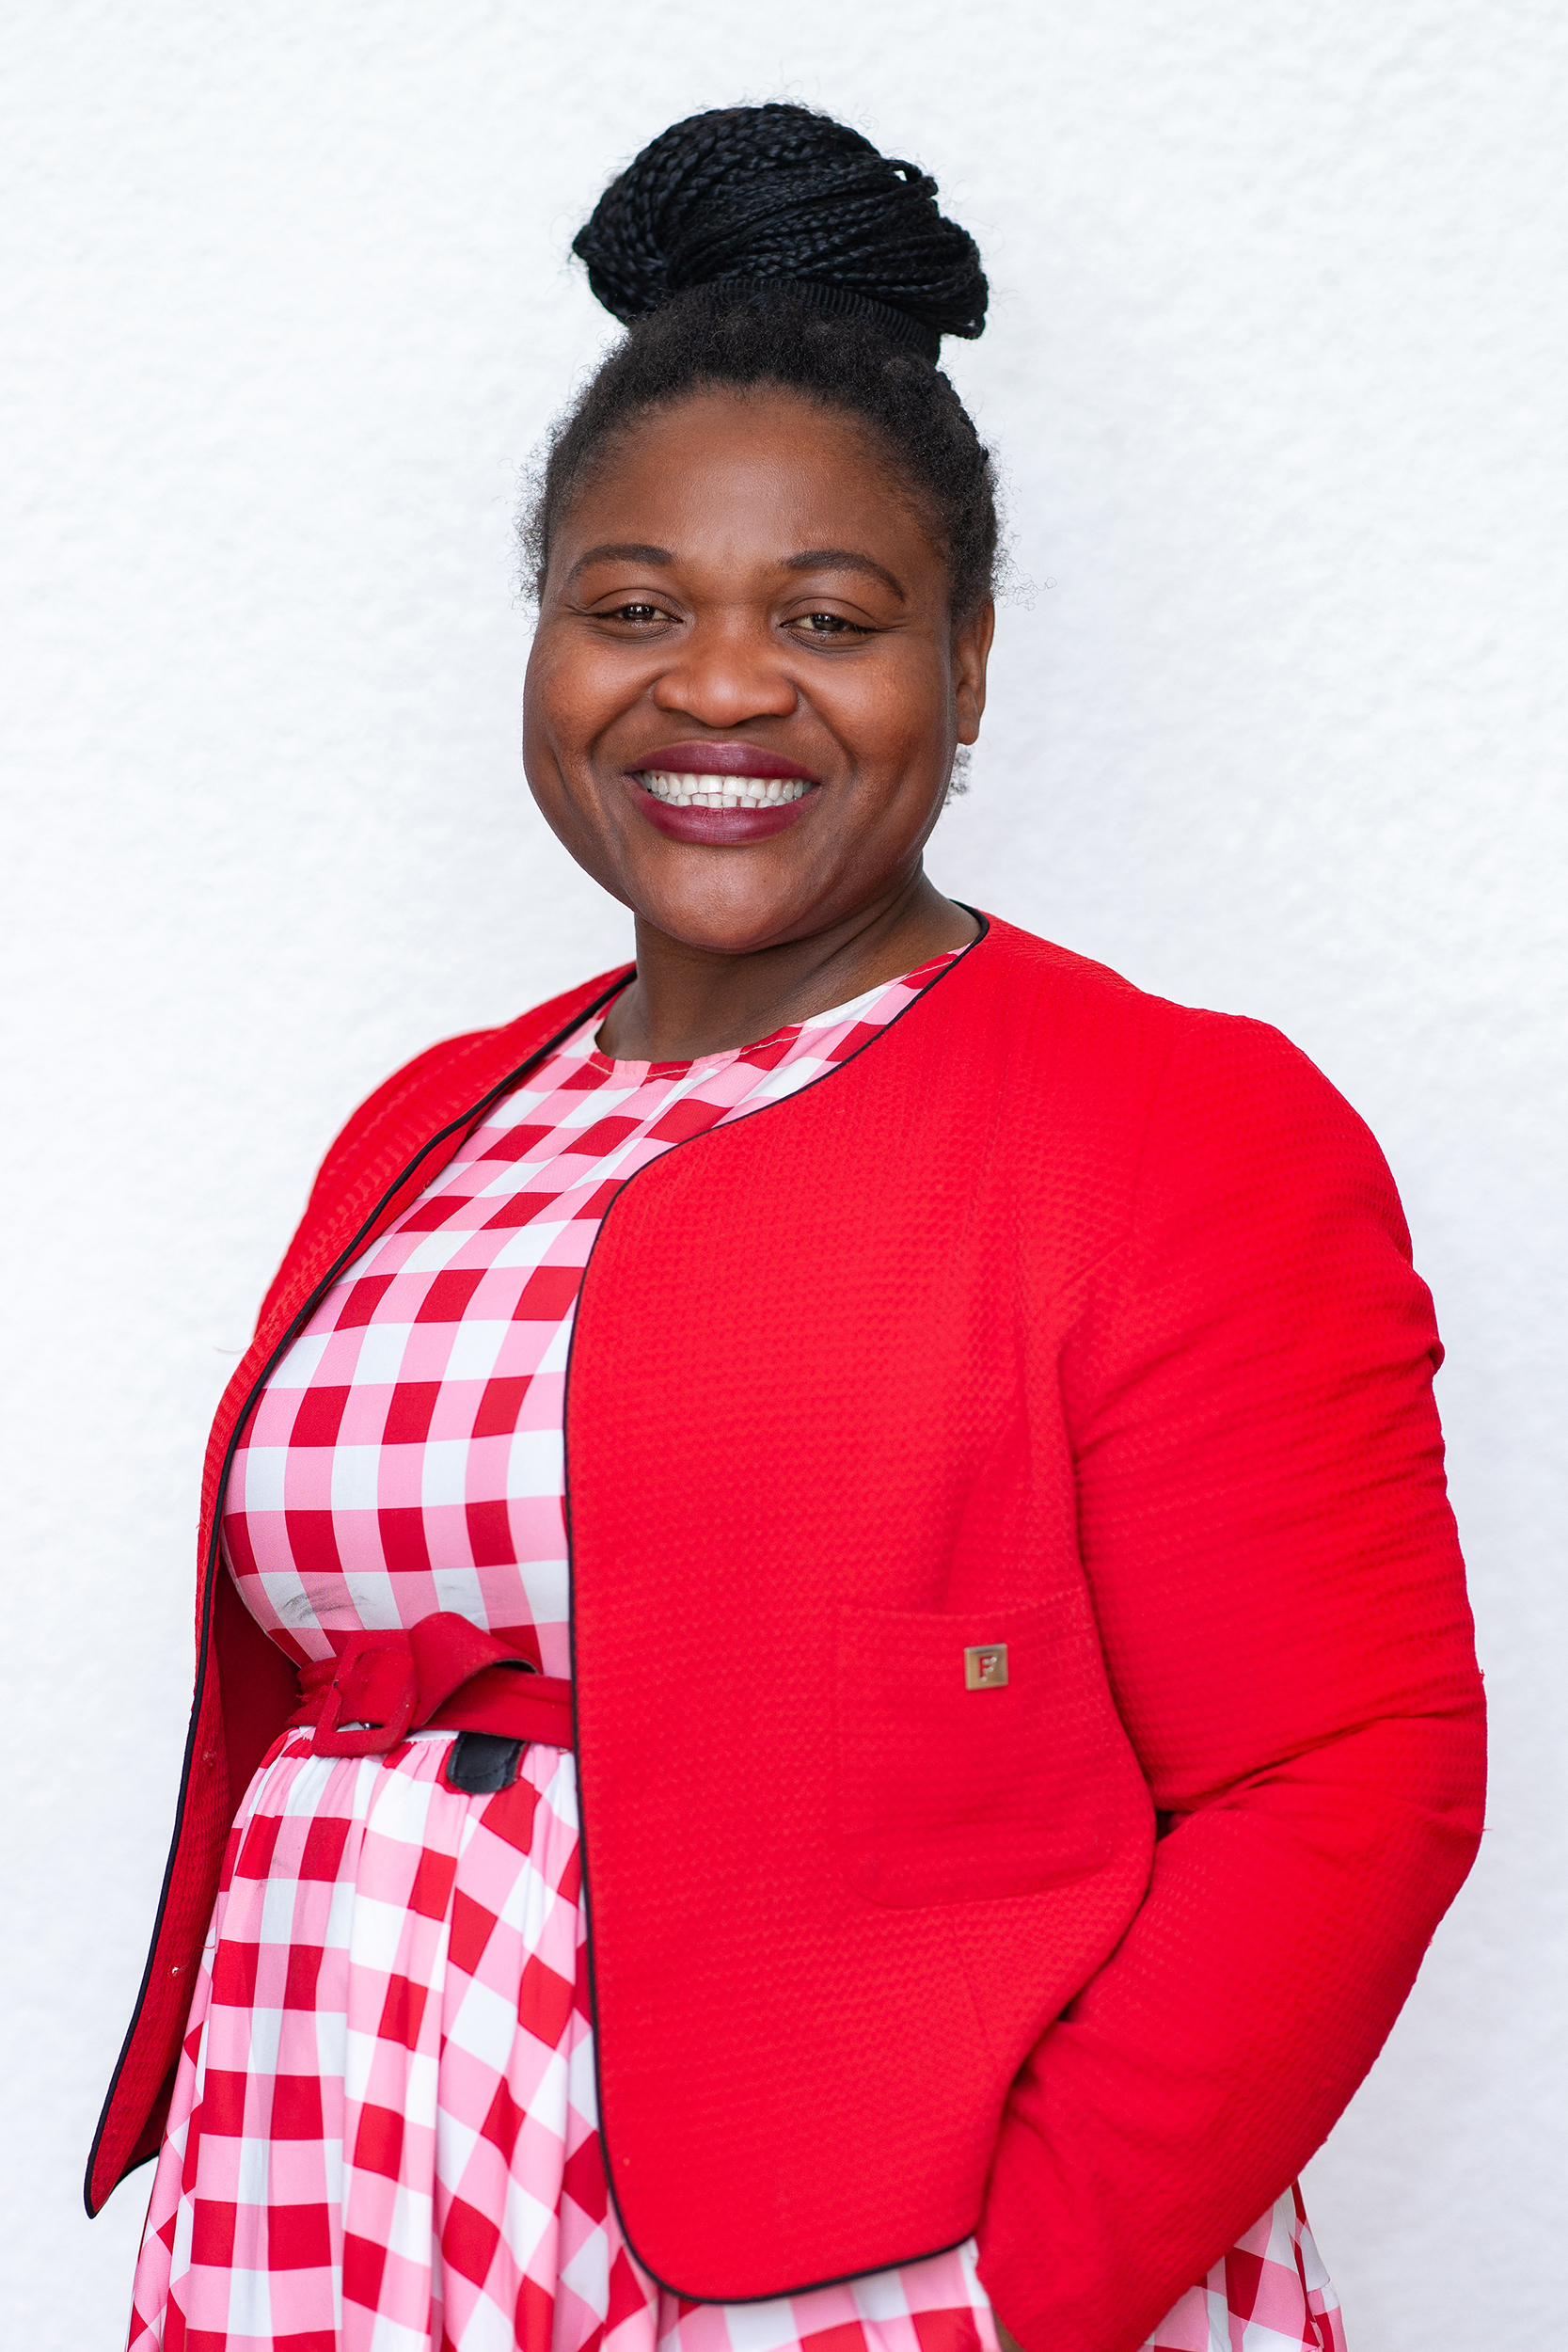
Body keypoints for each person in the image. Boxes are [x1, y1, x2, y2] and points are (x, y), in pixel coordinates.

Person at [90, 103, 1485, 2352]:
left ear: (970, 658)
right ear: (545, 639)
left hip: (859, 2266)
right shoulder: (422, 1127)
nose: (722, 686)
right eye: (632, 607)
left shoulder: (1178, 1128)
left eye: (828, 618)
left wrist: (1016, 2288)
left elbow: (1343, 1779)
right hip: (346, 2172)